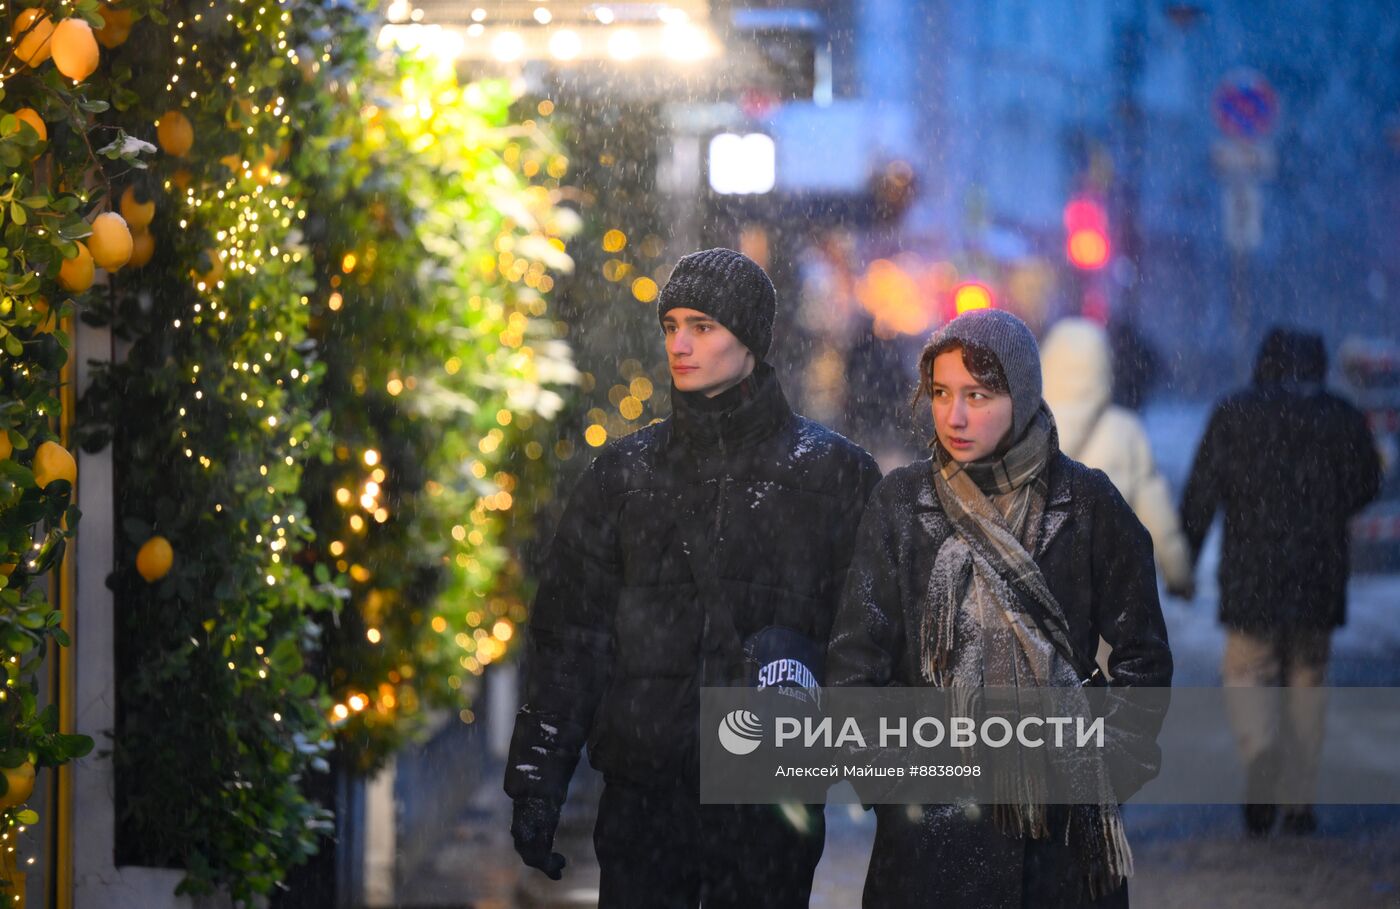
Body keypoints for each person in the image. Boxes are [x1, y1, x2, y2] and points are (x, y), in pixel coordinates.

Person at [504, 248, 882, 907]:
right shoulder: (623, 476)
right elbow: (571, 638)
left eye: (702, 326)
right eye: (671, 324)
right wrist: (538, 778)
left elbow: (869, 637)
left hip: (769, 803)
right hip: (645, 800)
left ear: (751, 342)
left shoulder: (834, 476)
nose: (679, 343)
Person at [828, 308, 1173, 909]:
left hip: (1061, 845)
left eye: (978, 395)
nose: (955, 416)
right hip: (929, 850)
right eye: (940, 393)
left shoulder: (1087, 504)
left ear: (1022, 393)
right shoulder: (901, 506)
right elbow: (856, 666)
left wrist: (1105, 768)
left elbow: (1143, 655)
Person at [1180, 327, 1381, 837]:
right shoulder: (1340, 416)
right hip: (1318, 575)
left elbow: (1202, 490)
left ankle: (1259, 749)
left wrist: (1185, 556)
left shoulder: (1234, 412)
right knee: (1308, 681)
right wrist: (1325, 508)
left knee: (1247, 672)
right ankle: (1298, 802)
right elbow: (1366, 485)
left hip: (1252, 574)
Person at [1040, 317, 1194, 675]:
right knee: (1110, 682)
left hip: (1047, 583)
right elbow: (1154, 512)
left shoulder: (1028, 428)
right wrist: (1178, 574)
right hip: (1112, 584)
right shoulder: (1124, 430)